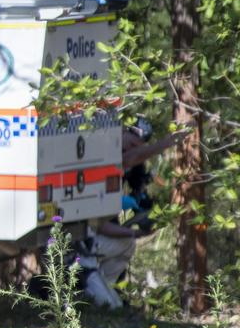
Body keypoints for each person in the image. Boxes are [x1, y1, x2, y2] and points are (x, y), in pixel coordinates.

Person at [81, 121, 189, 308]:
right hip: (87, 229)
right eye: (131, 144)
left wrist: (139, 209)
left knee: (126, 245)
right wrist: (166, 143)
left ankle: (106, 289)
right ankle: (92, 294)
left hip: (101, 219)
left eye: (136, 147)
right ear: (123, 132)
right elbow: (130, 158)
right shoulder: (104, 152)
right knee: (111, 305)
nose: (130, 150)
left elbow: (136, 179)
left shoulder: (133, 165)